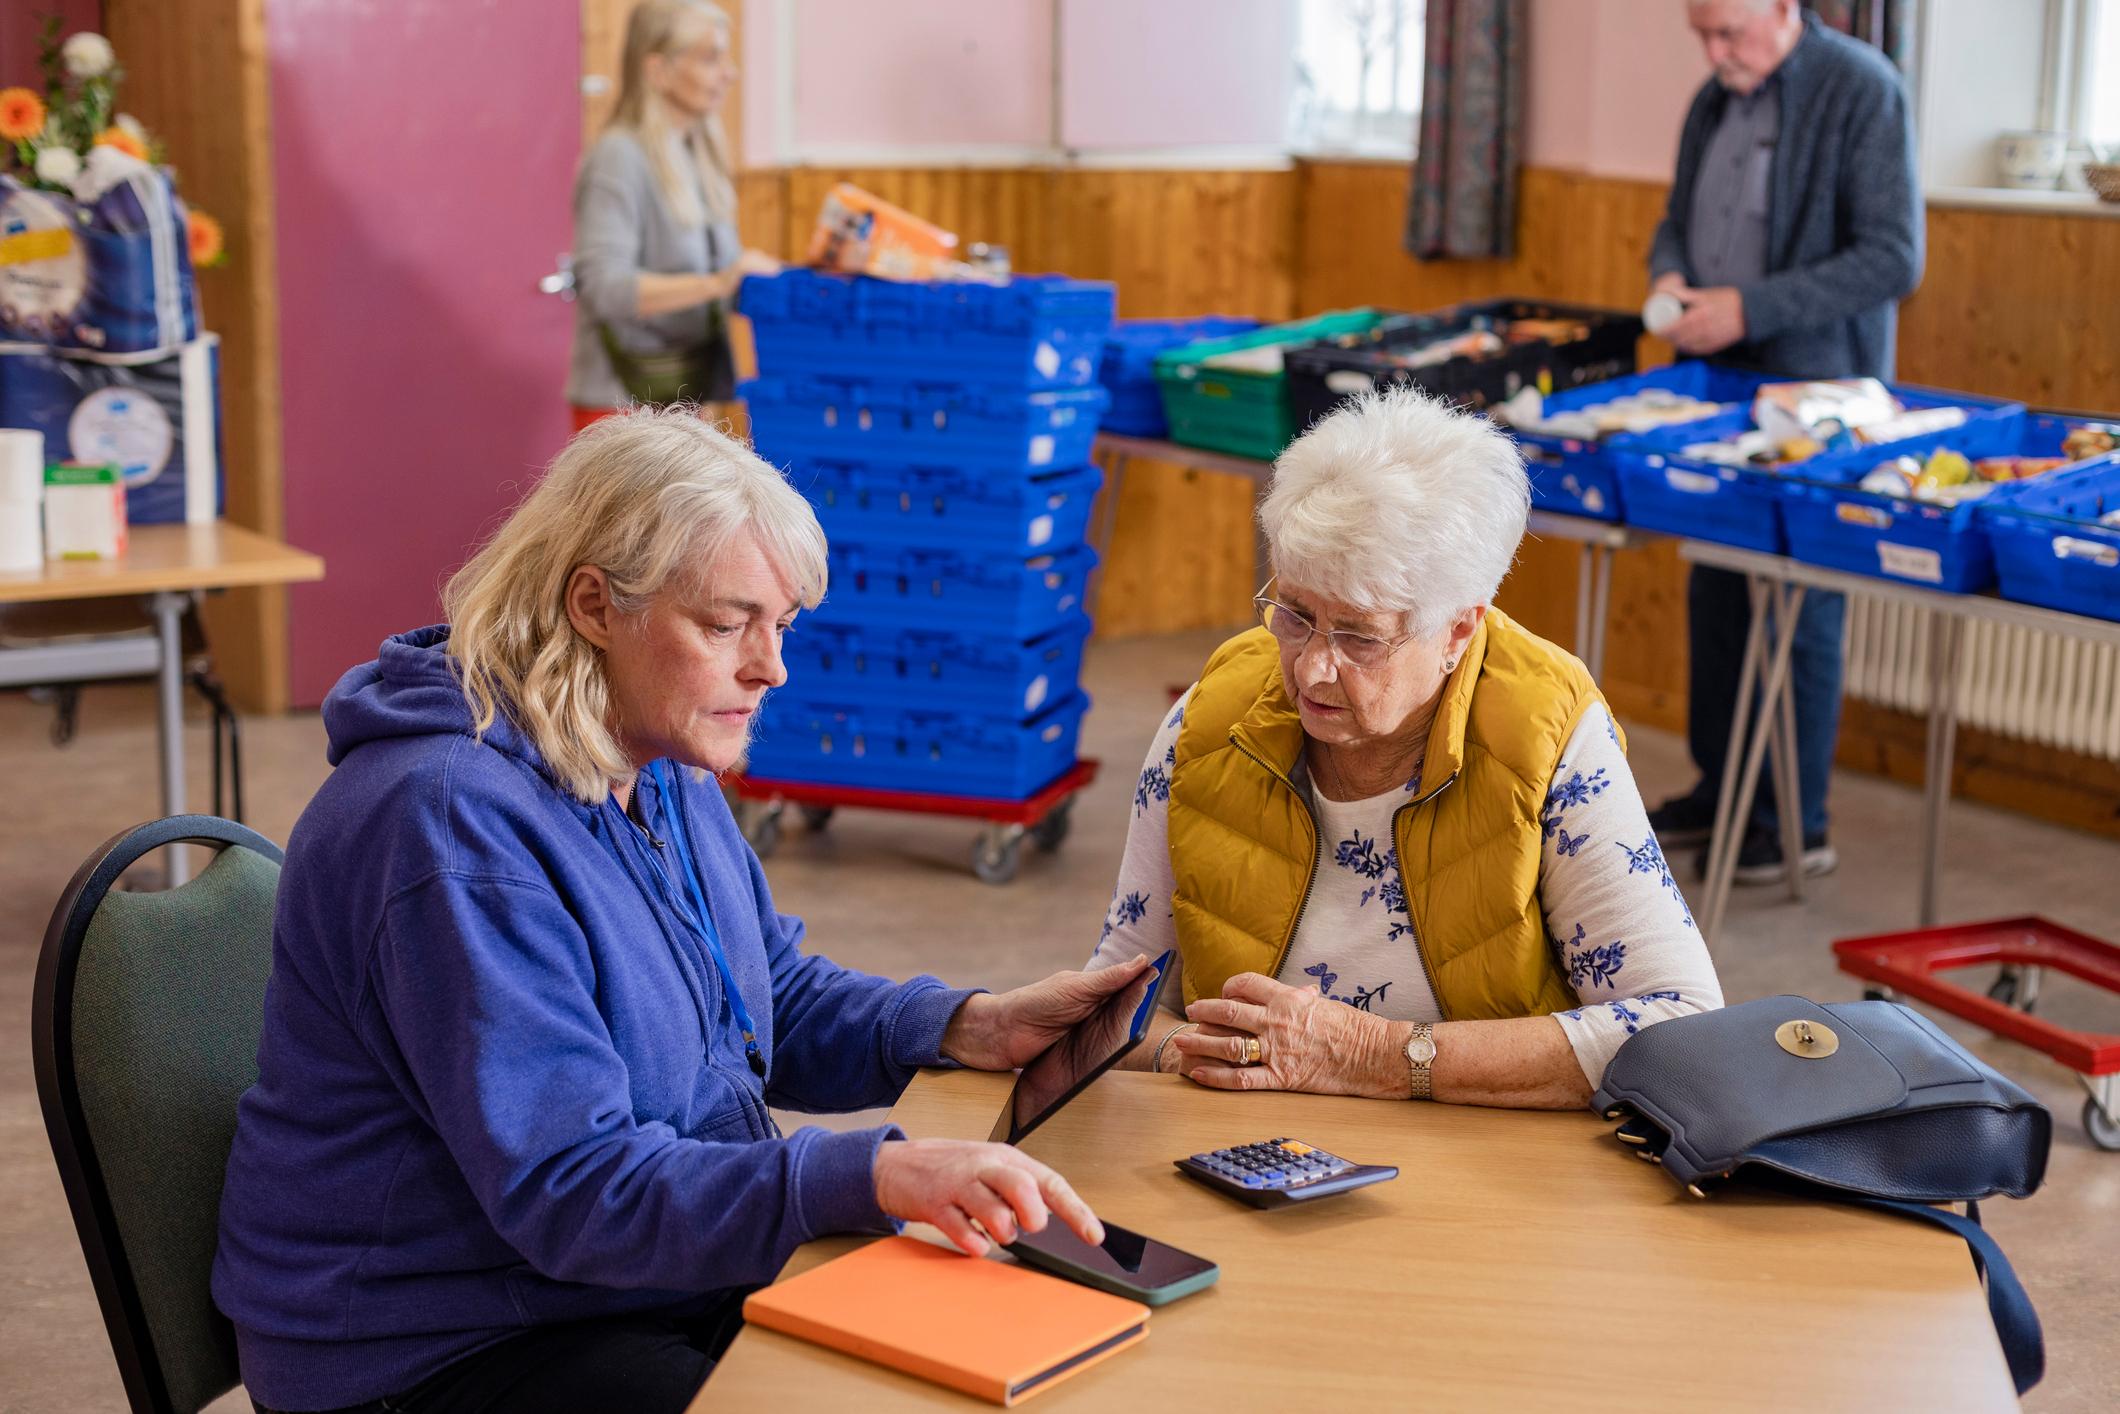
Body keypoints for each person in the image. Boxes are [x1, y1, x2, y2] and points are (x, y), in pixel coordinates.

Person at [214, 407, 1152, 1414]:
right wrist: (869, 1174)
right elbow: (571, 1190)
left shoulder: (651, 753)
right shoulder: (450, 827)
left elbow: (763, 995)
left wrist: (965, 1024)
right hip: (432, 1341)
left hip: (610, 1280)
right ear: (592, 604)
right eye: (723, 624)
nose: (770, 667)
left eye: (779, 625)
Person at [1087, 386, 1722, 1108]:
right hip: (1247, 1153)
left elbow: (1680, 1025)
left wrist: (1377, 1057)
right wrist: (1198, 1051)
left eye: (1359, 636)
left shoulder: (1549, 734)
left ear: (1458, 631)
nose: (1312, 669)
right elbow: (1113, 1004)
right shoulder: (1213, 719)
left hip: (1486, 1166)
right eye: (1294, 615)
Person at [1644, 0, 1922, 882]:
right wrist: (1672, 275)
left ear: (1782, 9)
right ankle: (1722, 785)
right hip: (1721, 382)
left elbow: (1892, 258)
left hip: (1819, 396)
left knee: (1801, 609)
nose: (1714, 51)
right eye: (1701, 34)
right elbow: (1676, 219)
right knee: (1716, 589)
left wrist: (1749, 308)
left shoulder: (1863, 89)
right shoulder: (1711, 98)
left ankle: (1793, 819)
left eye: (1729, 32)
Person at [567, 0, 780, 432]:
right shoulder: (618, 157)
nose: (729, 73)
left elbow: (719, 283)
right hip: (621, 408)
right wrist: (717, 283)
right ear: (658, 69)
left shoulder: (698, 155)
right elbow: (605, 287)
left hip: (686, 399)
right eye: (709, 58)